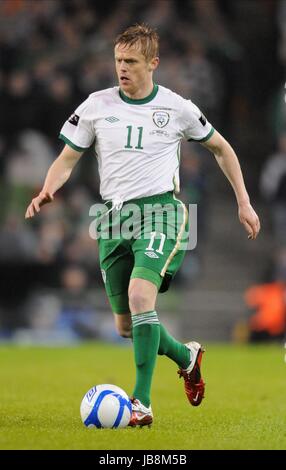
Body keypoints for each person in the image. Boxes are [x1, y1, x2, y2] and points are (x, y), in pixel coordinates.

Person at [25, 24, 261, 427]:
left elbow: (221, 147)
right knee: (125, 326)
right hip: (112, 219)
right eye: (118, 60)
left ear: (153, 63)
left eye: (131, 62)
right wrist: (47, 189)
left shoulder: (177, 108)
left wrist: (243, 201)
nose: (122, 68)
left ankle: (142, 403)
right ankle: (187, 357)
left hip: (160, 212)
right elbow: (68, 157)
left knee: (140, 298)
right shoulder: (96, 105)